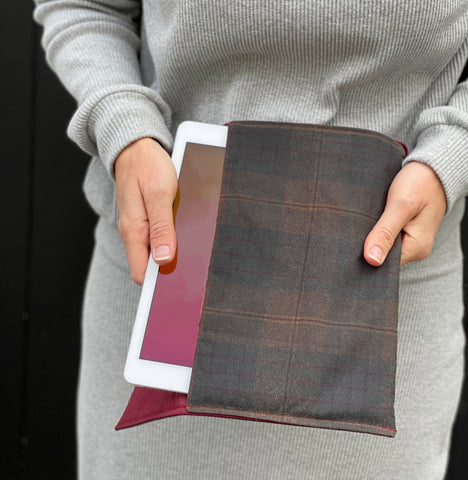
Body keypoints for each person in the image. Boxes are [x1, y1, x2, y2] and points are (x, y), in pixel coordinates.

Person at [33, 1, 467, 479]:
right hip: (170, 268)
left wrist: (452, 154)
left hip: (386, 297)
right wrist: (125, 126)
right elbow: (83, 7)